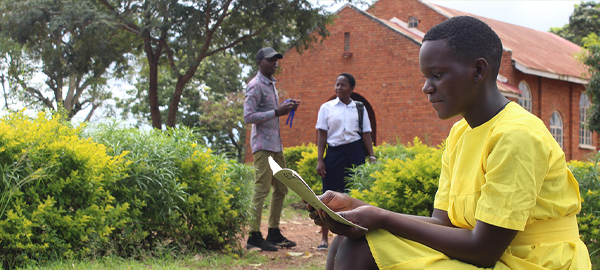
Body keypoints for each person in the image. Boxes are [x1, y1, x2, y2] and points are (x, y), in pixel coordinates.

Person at [308, 16, 591, 269]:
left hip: (534, 262)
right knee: (344, 244)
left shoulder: (517, 135)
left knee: (361, 249)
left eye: (437, 75)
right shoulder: (460, 134)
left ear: (478, 71)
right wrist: (359, 209)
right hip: (489, 256)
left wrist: (381, 218)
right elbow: (443, 224)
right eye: (425, 76)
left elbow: (484, 250)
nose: (426, 87)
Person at [244, 47, 300, 251]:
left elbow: (270, 112)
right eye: (270, 60)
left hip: (275, 145)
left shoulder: (271, 85)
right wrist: (277, 111)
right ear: (260, 62)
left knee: (283, 187)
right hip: (262, 146)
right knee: (261, 188)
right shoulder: (255, 85)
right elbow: (248, 116)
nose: (275, 63)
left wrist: (287, 107)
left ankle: (274, 232)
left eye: (276, 60)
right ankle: (253, 235)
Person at [314, 73, 376, 251]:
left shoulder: (360, 108)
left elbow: (366, 133)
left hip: (355, 152)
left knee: (354, 192)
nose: (339, 88)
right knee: (327, 194)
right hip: (333, 153)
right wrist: (320, 159)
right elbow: (322, 135)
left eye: (343, 85)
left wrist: (371, 154)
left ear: (351, 88)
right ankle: (324, 238)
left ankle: (354, 234)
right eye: (337, 84)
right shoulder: (326, 107)